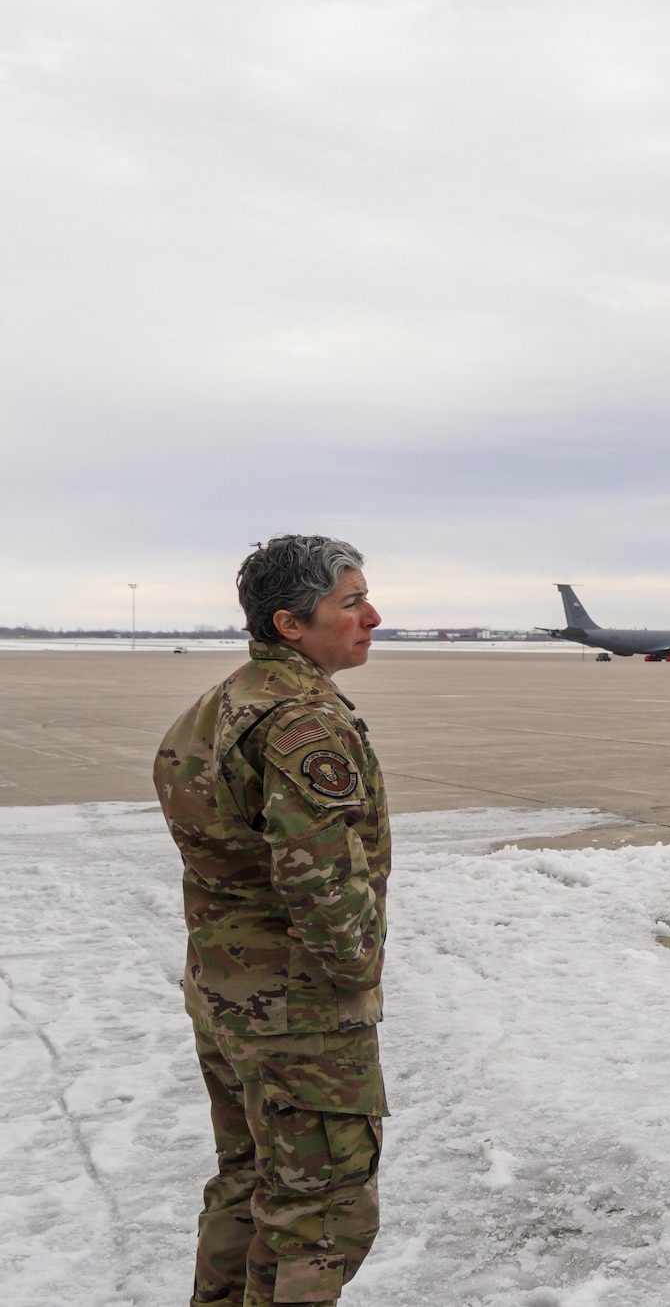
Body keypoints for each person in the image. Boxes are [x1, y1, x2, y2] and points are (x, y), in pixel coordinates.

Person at [155, 536, 391, 1307]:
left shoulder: (223, 700)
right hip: (296, 1012)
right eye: (350, 603)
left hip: (227, 989)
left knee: (249, 1183)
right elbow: (323, 885)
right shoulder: (301, 723)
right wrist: (353, 986)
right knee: (321, 1216)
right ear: (292, 623)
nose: (372, 616)